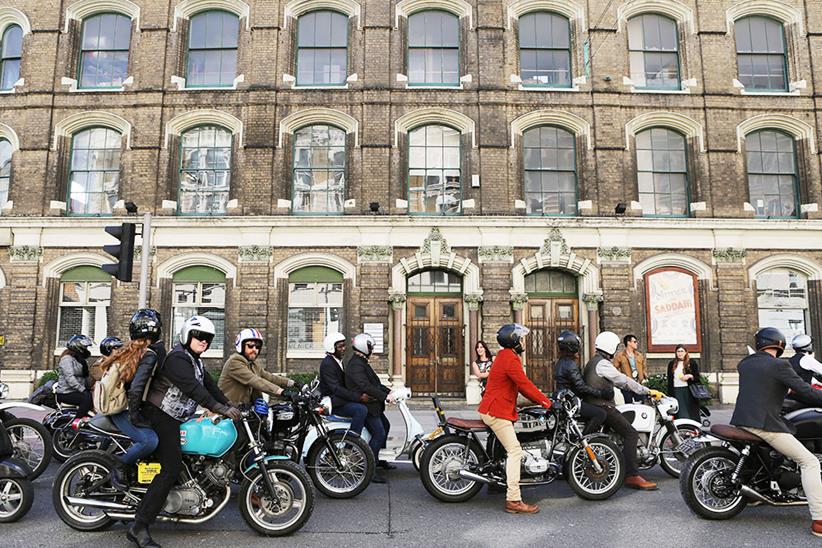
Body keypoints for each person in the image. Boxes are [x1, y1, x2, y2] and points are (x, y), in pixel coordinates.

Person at [127, 316, 241, 548]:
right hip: (160, 414)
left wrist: (231, 405)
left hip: (175, 417)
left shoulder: (195, 362)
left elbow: (211, 387)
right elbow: (193, 388)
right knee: (171, 467)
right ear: (187, 335)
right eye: (199, 336)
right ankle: (138, 526)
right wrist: (218, 409)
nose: (203, 341)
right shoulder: (178, 358)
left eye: (208, 338)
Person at [731, 327, 822, 537]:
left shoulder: (745, 364)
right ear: (779, 344)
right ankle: (819, 520)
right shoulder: (780, 365)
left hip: (741, 420)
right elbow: (807, 391)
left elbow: (764, 386)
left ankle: (754, 495)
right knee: (809, 462)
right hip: (763, 424)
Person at [478, 324, 552, 514]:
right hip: (496, 411)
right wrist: (546, 402)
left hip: (495, 406)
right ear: (512, 340)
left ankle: (497, 483)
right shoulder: (510, 359)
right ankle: (513, 499)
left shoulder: (505, 356)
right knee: (515, 451)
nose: (522, 342)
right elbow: (524, 385)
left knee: (505, 447)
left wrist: (527, 403)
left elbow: (511, 387)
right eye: (520, 338)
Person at [582, 331, 664, 491]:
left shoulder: (593, 362)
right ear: (610, 347)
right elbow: (623, 380)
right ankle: (632, 475)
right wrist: (647, 391)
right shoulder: (603, 364)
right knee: (631, 433)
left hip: (595, 405)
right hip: (603, 406)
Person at [100, 310, 164, 490]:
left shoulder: (130, 350)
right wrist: (135, 417)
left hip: (119, 407)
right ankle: (120, 465)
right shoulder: (148, 354)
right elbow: (136, 389)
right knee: (149, 441)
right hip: (122, 410)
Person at [344, 333, 395, 484]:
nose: (372, 349)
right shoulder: (355, 365)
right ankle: (370, 470)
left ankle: (379, 459)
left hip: (373, 405)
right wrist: (384, 396)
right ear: (363, 346)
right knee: (378, 433)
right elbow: (365, 386)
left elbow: (375, 384)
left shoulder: (361, 362)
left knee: (386, 426)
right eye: (370, 346)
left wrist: (389, 392)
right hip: (366, 406)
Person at [218, 327, 297, 404]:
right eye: (250, 346)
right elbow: (255, 380)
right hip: (227, 411)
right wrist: (282, 392)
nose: (254, 349)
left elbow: (270, 377)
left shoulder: (253, 364)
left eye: (257, 347)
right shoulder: (234, 362)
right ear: (241, 346)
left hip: (244, 411)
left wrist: (294, 383)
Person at [553, 330, 608, 435]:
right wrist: (600, 393)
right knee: (601, 414)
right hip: (571, 402)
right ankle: (583, 441)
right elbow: (580, 387)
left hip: (563, 399)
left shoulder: (560, 362)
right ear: (572, 347)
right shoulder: (570, 364)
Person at [318, 332, 370, 437]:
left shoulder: (338, 361)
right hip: (335, 403)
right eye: (340, 347)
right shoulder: (328, 364)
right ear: (332, 348)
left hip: (340, 400)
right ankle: (352, 442)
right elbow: (336, 388)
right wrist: (358, 397)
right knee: (361, 410)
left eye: (344, 345)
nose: (343, 349)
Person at [55, 334, 95, 418]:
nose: (86, 350)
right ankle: (76, 422)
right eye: (85, 347)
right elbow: (70, 378)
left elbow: (85, 377)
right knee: (87, 399)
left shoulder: (79, 360)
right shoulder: (67, 359)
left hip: (75, 391)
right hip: (66, 393)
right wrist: (83, 390)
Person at [666, 344, 701, 421]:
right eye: (678, 351)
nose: (680, 353)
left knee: (690, 412)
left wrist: (690, 376)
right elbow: (669, 379)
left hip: (688, 391)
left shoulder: (691, 363)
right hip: (676, 390)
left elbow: (697, 377)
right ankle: (682, 428)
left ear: (685, 352)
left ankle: (692, 429)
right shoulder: (672, 364)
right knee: (680, 412)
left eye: (682, 351)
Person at [613, 334, 646, 403]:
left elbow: (643, 368)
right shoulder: (620, 356)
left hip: (638, 384)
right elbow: (614, 369)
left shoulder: (639, 355)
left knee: (640, 404)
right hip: (626, 385)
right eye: (634, 342)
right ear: (628, 342)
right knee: (628, 404)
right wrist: (621, 378)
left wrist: (644, 378)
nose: (636, 343)